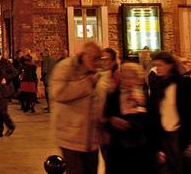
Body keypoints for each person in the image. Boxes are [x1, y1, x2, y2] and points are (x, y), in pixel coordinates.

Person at [49, 42, 106, 174]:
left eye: (99, 58)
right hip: (71, 137)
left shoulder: (97, 72)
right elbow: (58, 93)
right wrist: (87, 84)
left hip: (91, 138)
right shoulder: (65, 67)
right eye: (94, 58)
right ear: (84, 55)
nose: (97, 62)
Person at [147, 52, 191, 174]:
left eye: (160, 65)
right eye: (155, 65)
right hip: (165, 136)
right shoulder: (157, 87)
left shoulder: (186, 84)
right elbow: (155, 114)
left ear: (170, 66)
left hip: (183, 135)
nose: (157, 68)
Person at [101, 62, 151, 174]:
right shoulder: (113, 96)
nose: (128, 81)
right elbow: (105, 119)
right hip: (119, 150)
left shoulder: (145, 97)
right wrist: (112, 121)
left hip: (141, 149)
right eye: (125, 77)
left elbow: (152, 122)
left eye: (132, 77)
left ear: (138, 78)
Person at [41, 47, 60, 113]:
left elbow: (44, 71)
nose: (42, 55)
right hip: (53, 78)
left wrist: (42, 77)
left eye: (43, 53)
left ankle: (49, 107)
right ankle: (52, 107)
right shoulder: (54, 59)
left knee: (47, 94)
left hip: (47, 79)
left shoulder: (46, 60)